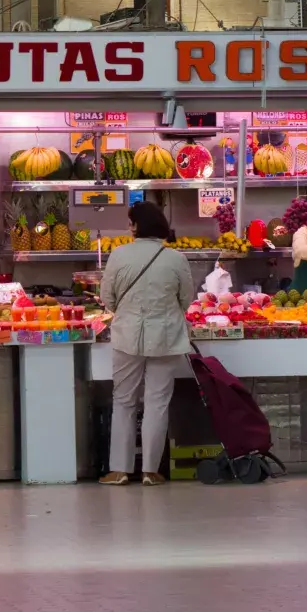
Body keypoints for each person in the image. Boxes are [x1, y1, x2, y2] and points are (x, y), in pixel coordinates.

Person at [99, 201, 193, 487]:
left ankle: (120, 470)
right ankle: (151, 471)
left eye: (130, 222)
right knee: (157, 403)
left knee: (124, 401)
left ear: (136, 226)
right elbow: (186, 300)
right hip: (166, 337)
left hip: (127, 335)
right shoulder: (176, 258)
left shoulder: (118, 255)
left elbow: (108, 298)